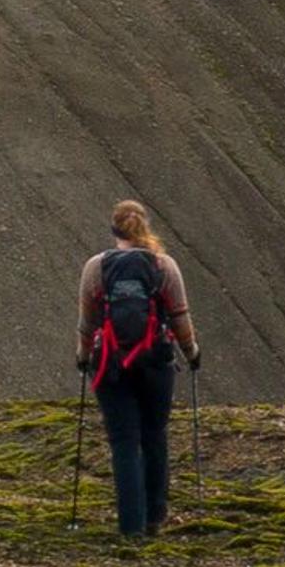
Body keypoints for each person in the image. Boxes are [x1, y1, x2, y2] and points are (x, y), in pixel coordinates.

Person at [78, 199, 201, 539]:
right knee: (154, 435)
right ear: (145, 227)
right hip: (155, 363)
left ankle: (130, 525)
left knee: (124, 441)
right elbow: (180, 317)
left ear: (114, 230)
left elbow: (87, 323)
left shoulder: (96, 267)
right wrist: (191, 353)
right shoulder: (164, 267)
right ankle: (155, 516)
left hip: (111, 365)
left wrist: (83, 356)